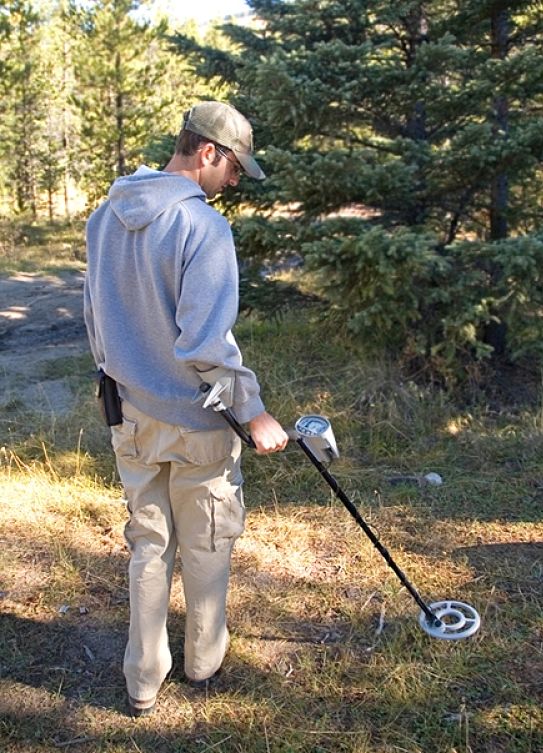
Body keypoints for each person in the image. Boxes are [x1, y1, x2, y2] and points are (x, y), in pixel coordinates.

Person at [83, 101, 288, 717]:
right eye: (232, 170)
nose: (232, 184)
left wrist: (121, 380)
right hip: (199, 426)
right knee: (206, 543)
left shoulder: (105, 215)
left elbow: (95, 320)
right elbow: (205, 346)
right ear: (207, 153)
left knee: (149, 545)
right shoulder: (203, 228)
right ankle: (202, 663)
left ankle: (142, 680)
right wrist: (252, 413)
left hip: (132, 416)